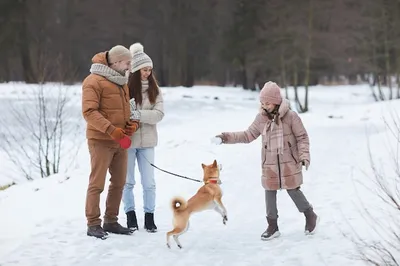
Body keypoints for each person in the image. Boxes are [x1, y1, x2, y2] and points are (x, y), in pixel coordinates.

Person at [214, 81, 319, 241]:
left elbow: (302, 137)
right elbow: (247, 135)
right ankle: (272, 225)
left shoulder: (291, 117)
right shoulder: (261, 118)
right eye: (262, 103)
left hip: (289, 162)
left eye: (268, 103)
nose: (265, 106)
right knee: (269, 192)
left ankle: (309, 214)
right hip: (269, 164)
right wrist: (225, 137)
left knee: (293, 190)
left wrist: (304, 156)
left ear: (276, 101)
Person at [82, 45, 140, 239]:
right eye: (127, 63)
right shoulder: (93, 81)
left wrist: (132, 125)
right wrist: (111, 130)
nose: (130, 67)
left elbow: (125, 110)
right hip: (100, 140)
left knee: (119, 182)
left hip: (120, 140)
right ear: (115, 63)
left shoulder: (122, 81)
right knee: (96, 183)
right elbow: (89, 112)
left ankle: (111, 221)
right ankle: (93, 223)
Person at [122, 42, 164, 233]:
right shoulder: (125, 88)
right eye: (144, 69)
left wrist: (139, 115)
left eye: (150, 69)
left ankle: (149, 217)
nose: (147, 73)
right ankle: (130, 215)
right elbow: (122, 113)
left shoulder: (155, 90)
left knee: (149, 182)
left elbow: (159, 114)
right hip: (128, 143)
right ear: (136, 69)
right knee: (127, 181)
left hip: (147, 143)